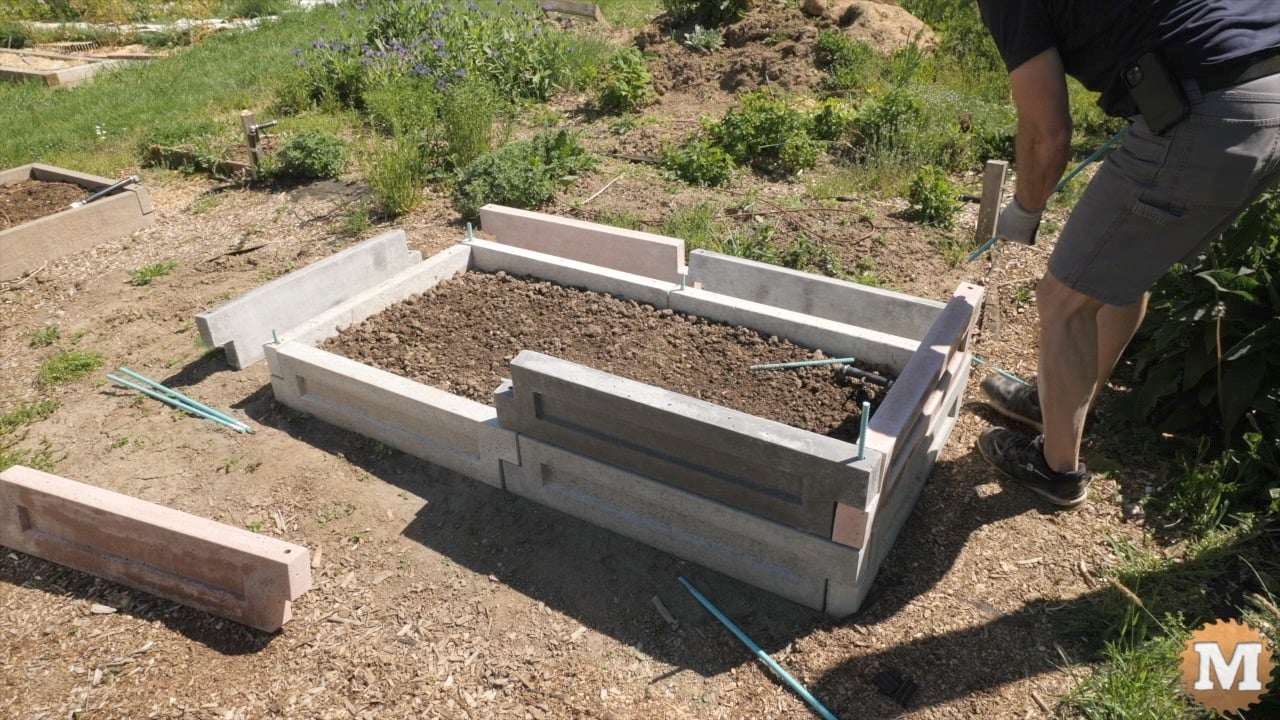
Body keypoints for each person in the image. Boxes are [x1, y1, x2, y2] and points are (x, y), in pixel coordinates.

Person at [974, 0, 1280, 507]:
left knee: (1062, 300)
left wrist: (1025, 210)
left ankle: (1055, 469)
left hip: (1208, 112)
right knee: (1121, 274)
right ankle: (1061, 406)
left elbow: (1048, 133)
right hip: (1268, 93)